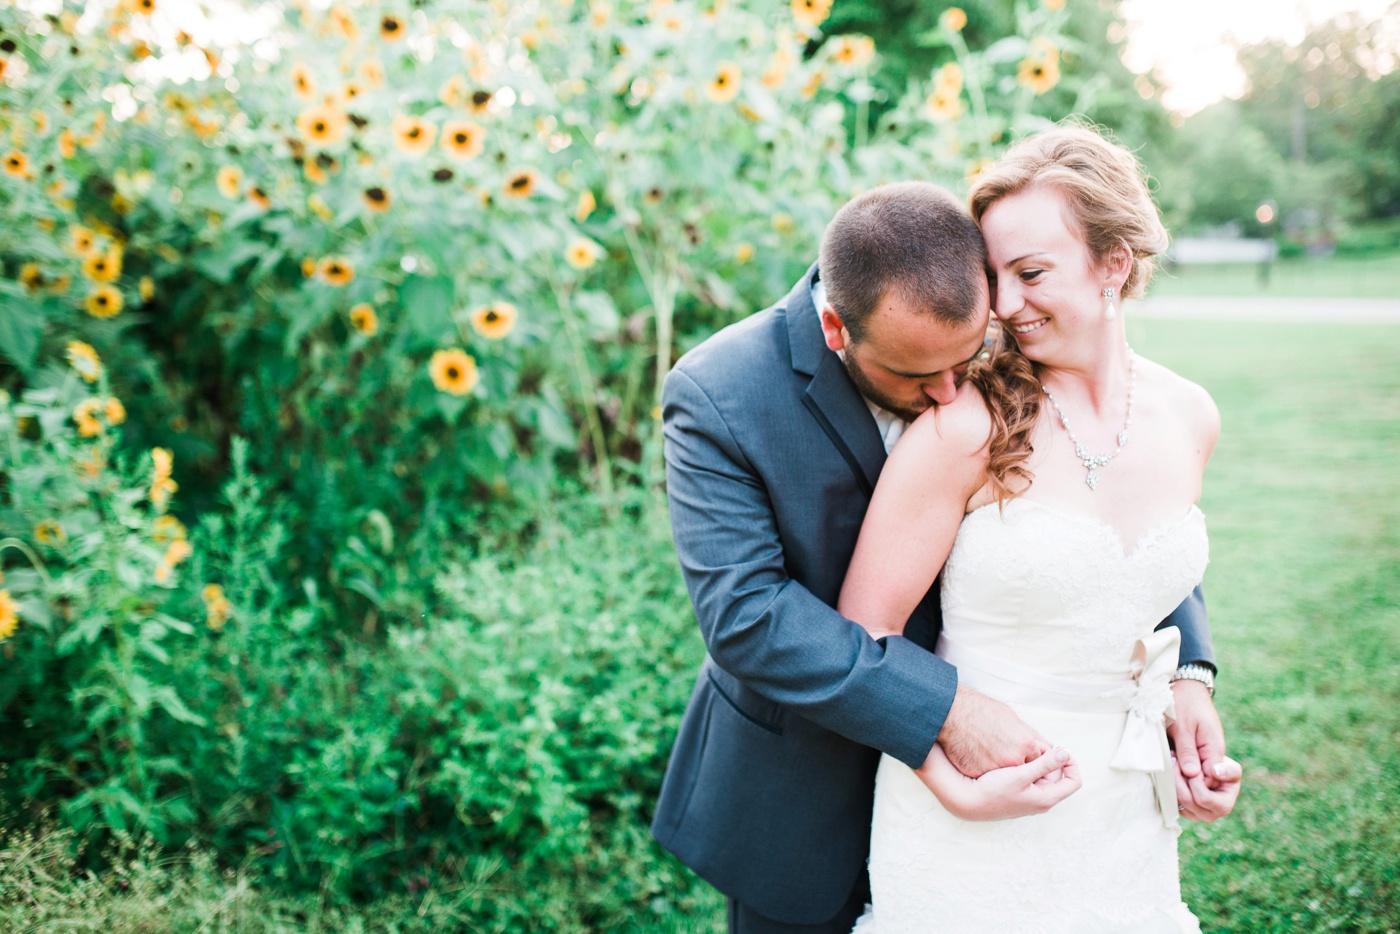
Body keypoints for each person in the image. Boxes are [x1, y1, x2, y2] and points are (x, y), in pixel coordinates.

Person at [652, 162, 1237, 933]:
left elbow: (1117, 516)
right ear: (837, 330)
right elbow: (748, 617)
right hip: (802, 774)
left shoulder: (987, 317)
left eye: (966, 361)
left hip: (1036, 781)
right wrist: (944, 712)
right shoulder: (720, 394)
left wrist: (1187, 669)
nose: (951, 393)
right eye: (918, 375)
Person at [841, 126, 1242, 932]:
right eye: (995, 278)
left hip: (1125, 813)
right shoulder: (964, 427)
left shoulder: (1190, 416)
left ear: (1114, 263)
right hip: (969, 809)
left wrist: (1187, 688)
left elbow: (1139, 583)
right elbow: (862, 634)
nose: (1007, 305)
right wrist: (943, 770)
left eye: (1031, 273)